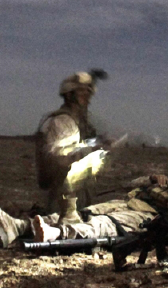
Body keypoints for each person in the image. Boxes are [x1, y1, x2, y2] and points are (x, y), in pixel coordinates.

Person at [0, 175, 168, 247]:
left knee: (105, 225)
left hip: (150, 215)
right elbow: (130, 184)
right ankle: (17, 227)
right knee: (79, 213)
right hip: (128, 202)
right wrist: (151, 178)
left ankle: (55, 233)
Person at [36, 70, 114, 222]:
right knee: (60, 230)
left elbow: (84, 143)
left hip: (81, 189)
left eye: (88, 92)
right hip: (63, 193)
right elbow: (60, 159)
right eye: (82, 92)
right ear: (69, 94)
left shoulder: (81, 122)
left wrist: (101, 143)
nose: (87, 96)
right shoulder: (62, 122)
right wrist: (93, 149)